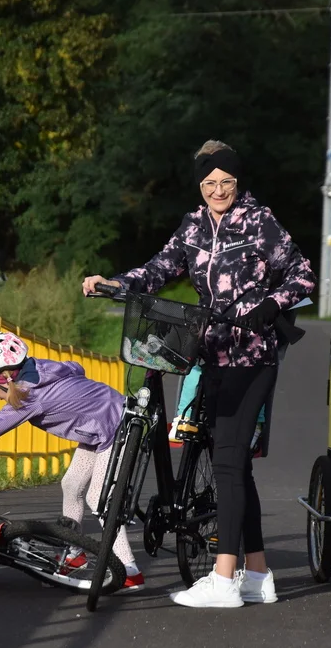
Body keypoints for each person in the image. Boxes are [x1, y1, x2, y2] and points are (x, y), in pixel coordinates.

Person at [83, 140, 316, 608]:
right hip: (211, 352)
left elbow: (303, 273)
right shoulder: (192, 226)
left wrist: (270, 305)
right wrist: (116, 283)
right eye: (209, 183)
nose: (218, 190)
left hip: (253, 355)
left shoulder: (258, 221)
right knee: (235, 465)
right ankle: (258, 572)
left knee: (227, 459)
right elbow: (159, 269)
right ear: (200, 185)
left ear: (237, 181)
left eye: (226, 182)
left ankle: (224, 578)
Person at [0, 331, 146, 591]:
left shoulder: (29, 396)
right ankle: (75, 554)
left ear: (4, 378)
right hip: (103, 427)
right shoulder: (38, 367)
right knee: (71, 485)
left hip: (118, 430)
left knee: (99, 499)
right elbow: (75, 367)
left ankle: (129, 570)